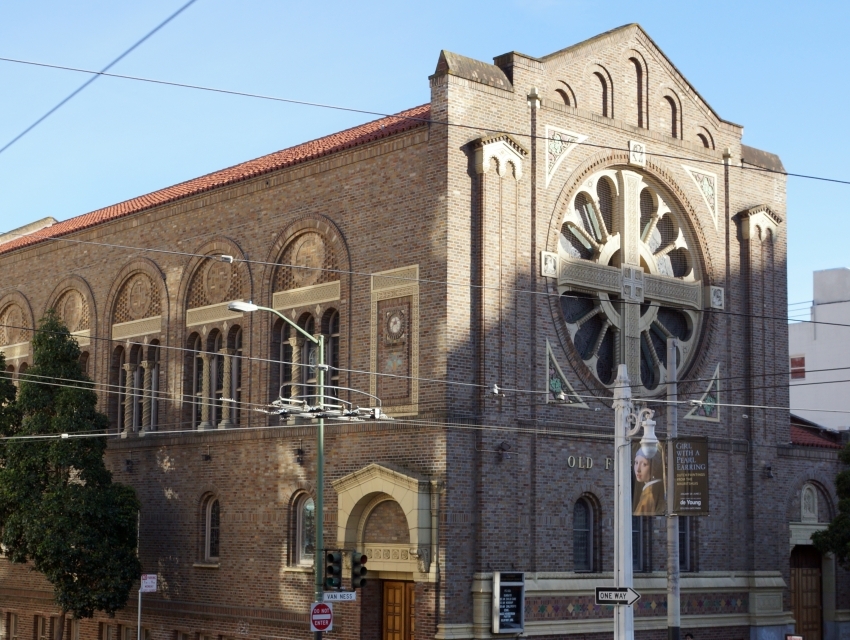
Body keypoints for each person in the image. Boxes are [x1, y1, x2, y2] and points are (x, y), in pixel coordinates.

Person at [633, 449, 665, 515]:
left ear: (653, 467)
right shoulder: (657, 488)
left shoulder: (649, 495)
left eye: (644, 464)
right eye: (636, 463)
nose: (638, 469)